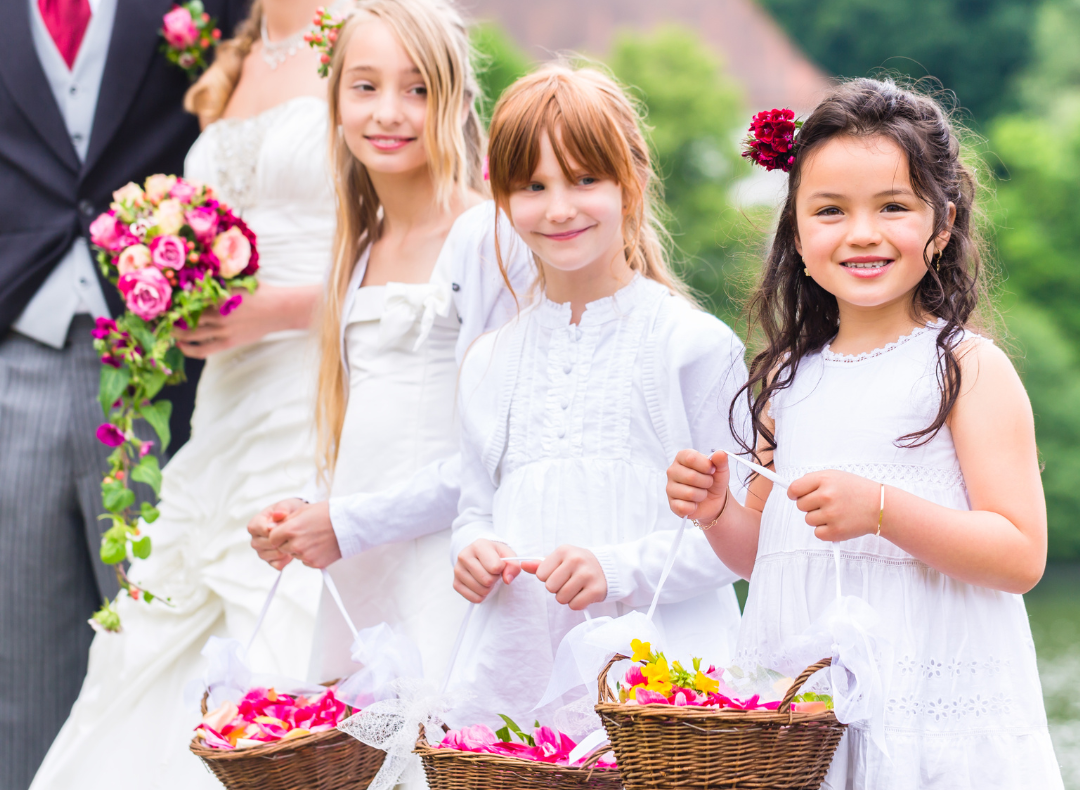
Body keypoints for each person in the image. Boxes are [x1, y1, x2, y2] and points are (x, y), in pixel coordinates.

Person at [666, 79, 1064, 788]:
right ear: (796, 231)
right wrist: (716, 510)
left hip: (928, 707)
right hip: (807, 714)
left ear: (940, 226)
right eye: (830, 211)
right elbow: (769, 558)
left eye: (892, 207)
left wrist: (882, 510)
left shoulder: (965, 368)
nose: (861, 233)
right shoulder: (786, 381)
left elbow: (1020, 553)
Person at [29, 2, 334, 787]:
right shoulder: (231, 49)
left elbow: (433, 246)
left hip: (318, 388)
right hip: (226, 396)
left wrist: (277, 311)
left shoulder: (372, 32)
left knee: (286, 636)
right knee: (151, 630)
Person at [247, 0, 533, 693]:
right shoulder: (356, 252)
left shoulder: (489, 236)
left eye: (417, 89)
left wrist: (347, 521)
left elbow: (502, 448)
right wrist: (307, 511)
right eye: (365, 87)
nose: (388, 113)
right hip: (363, 559)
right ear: (336, 100)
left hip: (446, 560)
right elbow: (372, 426)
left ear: (456, 100)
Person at [448, 65, 746, 728]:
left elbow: (743, 539)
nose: (558, 208)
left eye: (585, 180)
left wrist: (615, 570)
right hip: (516, 687)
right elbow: (474, 510)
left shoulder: (693, 345)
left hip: (667, 692)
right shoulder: (487, 361)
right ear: (501, 197)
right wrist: (469, 552)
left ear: (630, 183)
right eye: (533, 186)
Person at [0, 0, 245, 786]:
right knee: (21, 654)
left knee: (159, 637)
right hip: (17, 353)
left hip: (167, 367)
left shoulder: (209, 9)